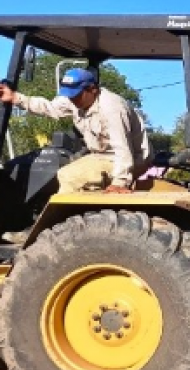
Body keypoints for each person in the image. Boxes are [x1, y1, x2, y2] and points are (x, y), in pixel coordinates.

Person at [0, 68, 151, 242]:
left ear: (92, 89)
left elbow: (122, 149)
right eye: (69, 95)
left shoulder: (112, 108)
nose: (72, 99)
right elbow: (50, 108)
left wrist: (120, 181)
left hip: (128, 158)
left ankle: (47, 234)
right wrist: (16, 98)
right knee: (66, 169)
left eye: (77, 95)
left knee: (69, 176)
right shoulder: (74, 99)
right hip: (102, 154)